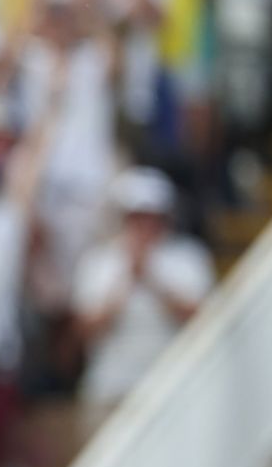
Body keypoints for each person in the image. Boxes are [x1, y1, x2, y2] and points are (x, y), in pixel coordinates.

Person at [72, 167, 213, 431]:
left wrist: (152, 279)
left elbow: (201, 320)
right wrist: (126, 281)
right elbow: (86, 330)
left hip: (172, 386)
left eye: (152, 218)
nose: (146, 226)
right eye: (137, 218)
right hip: (110, 388)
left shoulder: (189, 258)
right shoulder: (98, 262)